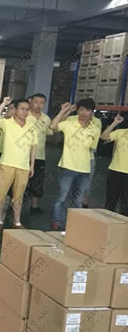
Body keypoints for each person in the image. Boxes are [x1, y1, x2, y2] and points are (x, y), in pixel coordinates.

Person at [49, 99, 102, 230]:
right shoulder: (69, 123)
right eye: (81, 109)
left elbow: (91, 148)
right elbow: (53, 126)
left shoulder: (95, 129)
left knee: (78, 200)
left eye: (87, 110)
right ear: (77, 110)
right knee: (61, 197)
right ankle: (57, 221)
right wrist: (63, 111)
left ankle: (75, 224)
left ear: (92, 112)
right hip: (67, 167)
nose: (84, 113)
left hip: (84, 170)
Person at [0, 98, 38, 232]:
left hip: (23, 167)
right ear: (15, 110)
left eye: (27, 109)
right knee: (0, 194)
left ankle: (17, 222)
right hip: (6, 164)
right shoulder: (6, 123)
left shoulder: (31, 127)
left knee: (19, 196)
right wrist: (3, 105)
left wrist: (32, 165)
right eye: (22, 109)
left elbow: (33, 147)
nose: (25, 112)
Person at [26, 93, 53, 213]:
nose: (38, 105)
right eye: (36, 102)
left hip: (40, 155)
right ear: (30, 102)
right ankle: (14, 205)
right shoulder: (24, 115)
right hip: (23, 155)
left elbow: (49, 133)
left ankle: (34, 206)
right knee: (20, 182)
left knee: (37, 181)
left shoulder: (46, 119)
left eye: (42, 103)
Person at [101, 113, 127, 215]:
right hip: (115, 172)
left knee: (126, 206)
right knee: (111, 202)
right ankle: (108, 223)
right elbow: (104, 136)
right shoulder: (120, 132)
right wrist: (115, 122)